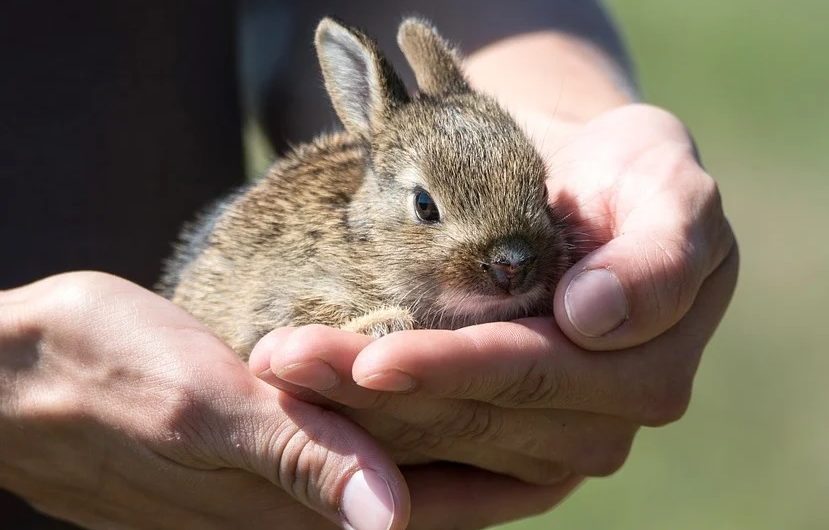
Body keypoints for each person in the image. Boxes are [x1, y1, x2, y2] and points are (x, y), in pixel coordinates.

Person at [0, 1, 738, 529]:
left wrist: (580, 122)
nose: (512, 260)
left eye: (533, 201)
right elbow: (266, 321)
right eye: (429, 212)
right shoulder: (331, 268)